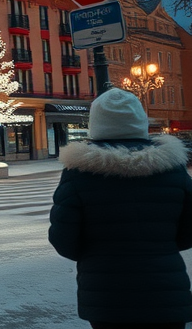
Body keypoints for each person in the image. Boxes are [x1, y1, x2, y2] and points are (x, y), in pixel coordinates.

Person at [50, 88, 192, 329]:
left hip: (106, 295)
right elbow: (189, 231)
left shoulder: (79, 174)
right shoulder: (173, 169)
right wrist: (160, 248)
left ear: (96, 125)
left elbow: (63, 239)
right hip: (166, 292)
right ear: (140, 122)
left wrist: (96, 255)